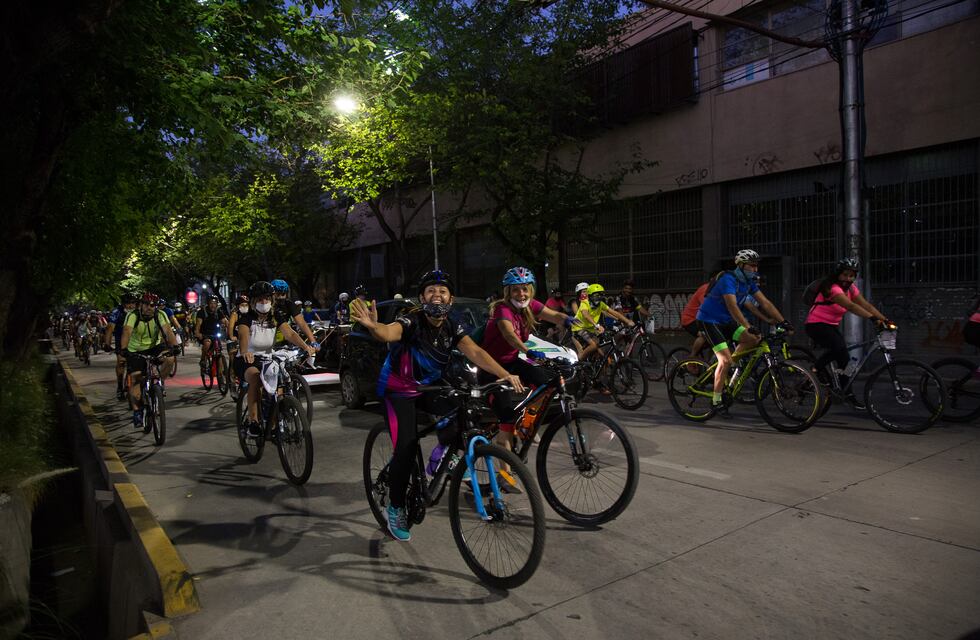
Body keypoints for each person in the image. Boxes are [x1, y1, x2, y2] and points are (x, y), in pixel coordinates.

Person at [349, 269, 524, 542]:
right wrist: (374, 327)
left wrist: (504, 374)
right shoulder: (412, 321)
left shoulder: (452, 326)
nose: (437, 295)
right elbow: (389, 333)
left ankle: (439, 461)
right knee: (406, 448)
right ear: (422, 297)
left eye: (442, 291)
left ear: (450, 300)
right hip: (399, 390)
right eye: (431, 290)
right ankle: (396, 507)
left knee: (468, 413)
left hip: (431, 385)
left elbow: (476, 351)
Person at [480, 268, 574, 459]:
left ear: (530, 290)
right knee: (506, 419)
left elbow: (554, 315)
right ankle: (504, 476)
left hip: (513, 363)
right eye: (516, 290)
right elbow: (508, 334)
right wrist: (527, 350)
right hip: (492, 369)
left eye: (525, 289)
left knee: (546, 384)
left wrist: (570, 320)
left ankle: (526, 421)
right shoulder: (502, 309)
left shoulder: (530, 306)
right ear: (508, 292)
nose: (521, 294)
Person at [695, 249, 791, 417]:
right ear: (740, 265)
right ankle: (716, 399)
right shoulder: (728, 279)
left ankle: (733, 365)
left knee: (754, 339)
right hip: (709, 320)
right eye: (751, 266)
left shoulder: (748, 282)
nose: (755, 269)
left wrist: (783, 321)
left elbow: (765, 303)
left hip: (726, 321)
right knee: (724, 361)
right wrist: (747, 325)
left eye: (756, 266)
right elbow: (732, 306)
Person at [804, 258, 890, 406]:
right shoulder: (833, 288)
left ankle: (847, 393)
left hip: (831, 326)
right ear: (838, 274)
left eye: (851, 276)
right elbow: (850, 306)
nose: (848, 279)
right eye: (845, 275)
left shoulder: (851, 289)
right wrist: (873, 319)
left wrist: (886, 320)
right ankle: (813, 370)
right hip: (816, 325)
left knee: (846, 363)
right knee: (839, 349)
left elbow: (866, 305)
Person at [236, 282, 316, 437]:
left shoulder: (275, 315)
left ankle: (273, 422)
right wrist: (245, 351)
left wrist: (306, 346)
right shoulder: (246, 318)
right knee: (255, 378)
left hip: (268, 357)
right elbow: (243, 335)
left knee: (278, 381)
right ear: (253, 302)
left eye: (267, 299)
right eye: (260, 299)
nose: (264, 302)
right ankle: (253, 422)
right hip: (247, 360)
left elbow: (290, 333)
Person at [121, 293, 177, 428]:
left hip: (155, 346)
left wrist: (175, 346)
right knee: (135, 378)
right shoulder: (132, 316)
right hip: (135, 350)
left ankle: (159, 380)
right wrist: (124, 350)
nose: (149, 308)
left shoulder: (160, 314)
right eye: (146, 304)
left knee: (170, 359)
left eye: (152, 305)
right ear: (140, 305)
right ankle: (137, 411)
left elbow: (168, 331)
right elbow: (127, 332)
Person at [573, 283, 635, 361]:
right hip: (579, 328)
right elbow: (586, 315)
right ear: (590, 296)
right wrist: (596, 325)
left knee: (602, 342)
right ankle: (580, 359)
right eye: (595, 296)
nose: (598, 298)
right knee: (594, 345)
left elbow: (613, 312)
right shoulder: (584, 303)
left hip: (590, 328)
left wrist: (627, 321)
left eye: (600, 295)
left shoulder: (601, 304)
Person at [105, 293, 138, 400]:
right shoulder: (116, 312)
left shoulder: (139, 312)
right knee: (121, 362)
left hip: (137, 341)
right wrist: (107, 344)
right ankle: (120, 386)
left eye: (133, 303)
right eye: (128, 303)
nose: (130, 306)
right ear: (123, 304)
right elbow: (110, 328)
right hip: (121, 341)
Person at [271, 278, 318, 346]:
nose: (281, 297)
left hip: (284, 338)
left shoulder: (289, 304)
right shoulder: (267, 306)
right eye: (278, 294)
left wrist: (313, 341)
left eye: (283, 294)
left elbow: (302, 323)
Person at [195, 295, 229, 372]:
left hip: (215, 335)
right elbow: (198, 324)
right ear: (208, 303)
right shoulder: (202, 312)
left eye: (215, 303)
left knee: (219, 354)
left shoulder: (218, 312)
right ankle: (203, 359)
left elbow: (226, 322)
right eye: (211, 303)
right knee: (207, 343)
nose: (213, 305)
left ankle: (221, 377)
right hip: (204, 335)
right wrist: (197, 333)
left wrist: (231, 331)